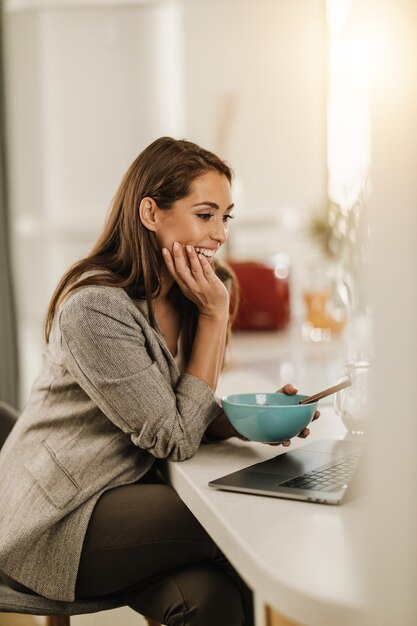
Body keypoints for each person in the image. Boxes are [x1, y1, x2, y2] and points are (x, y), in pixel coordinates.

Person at [0, 137, 317, 626]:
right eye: (205, 215)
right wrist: (215, 318)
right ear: (151, 213)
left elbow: (178, 408)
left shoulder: (203, 290)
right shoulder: (95, 309)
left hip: (133, 486)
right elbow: (174, 437)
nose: (219, 235)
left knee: (211, 600)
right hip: (60, 516)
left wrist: (250, 417)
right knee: (247, 522)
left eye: (225, 217)